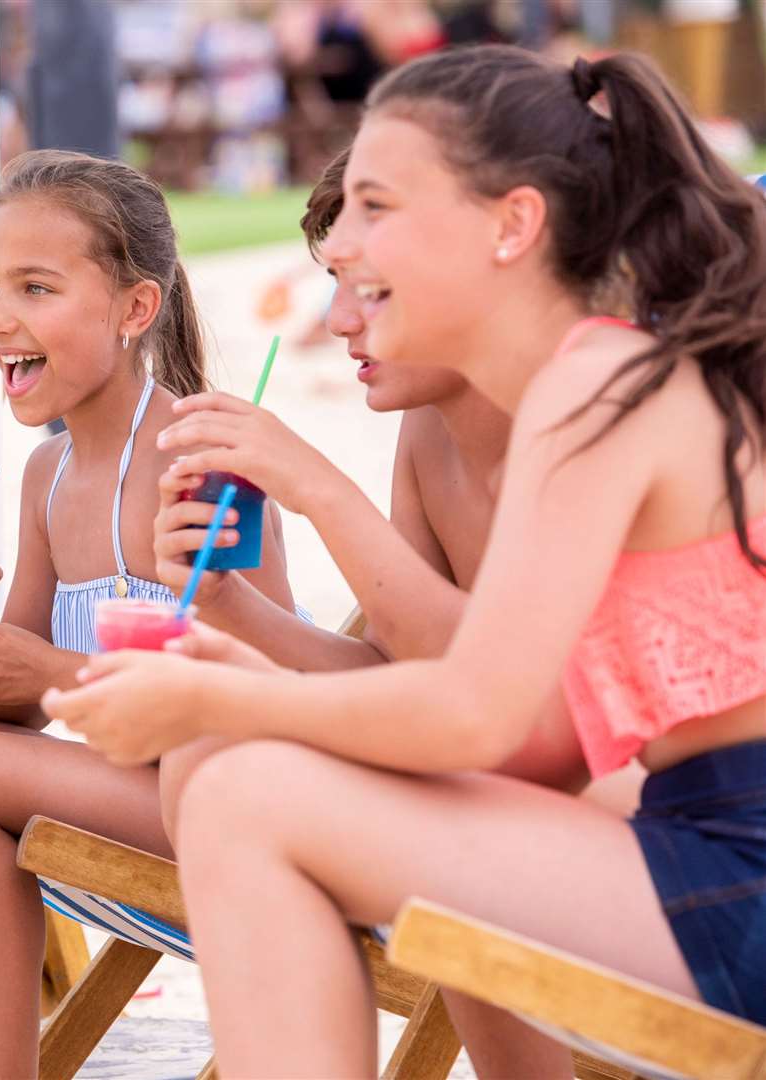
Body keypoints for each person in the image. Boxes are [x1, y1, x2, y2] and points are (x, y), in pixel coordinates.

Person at [46, 45, 766, 1074]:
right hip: (701, 845)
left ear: (511, 226)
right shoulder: (594, 379)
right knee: (238, 778)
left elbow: (479, 716)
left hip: (735, 872)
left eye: (378, 206)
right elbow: (539, 749)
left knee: (246, 796)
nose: (345, 242)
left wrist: (226, 705)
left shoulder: (595, 382)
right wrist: (240, 666)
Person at [0, 148, 294, 1078]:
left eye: (37, 288)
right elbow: (16, 715)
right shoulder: (47, 474)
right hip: (119, 794)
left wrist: (46, 674)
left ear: (133, 310)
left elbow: (272, 705)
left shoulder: (198, 461)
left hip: (228, 805)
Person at [153, 146, 592, 1075]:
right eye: (335, 288)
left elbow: (489, 699)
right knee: (212, 757)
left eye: (372, 292)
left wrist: (318, 489)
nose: (338, 323)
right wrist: (236, 611)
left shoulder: (579, 427)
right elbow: (413, 675)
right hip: (505, 788)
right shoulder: (428, 433)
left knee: (257, 781)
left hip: (604, 815)